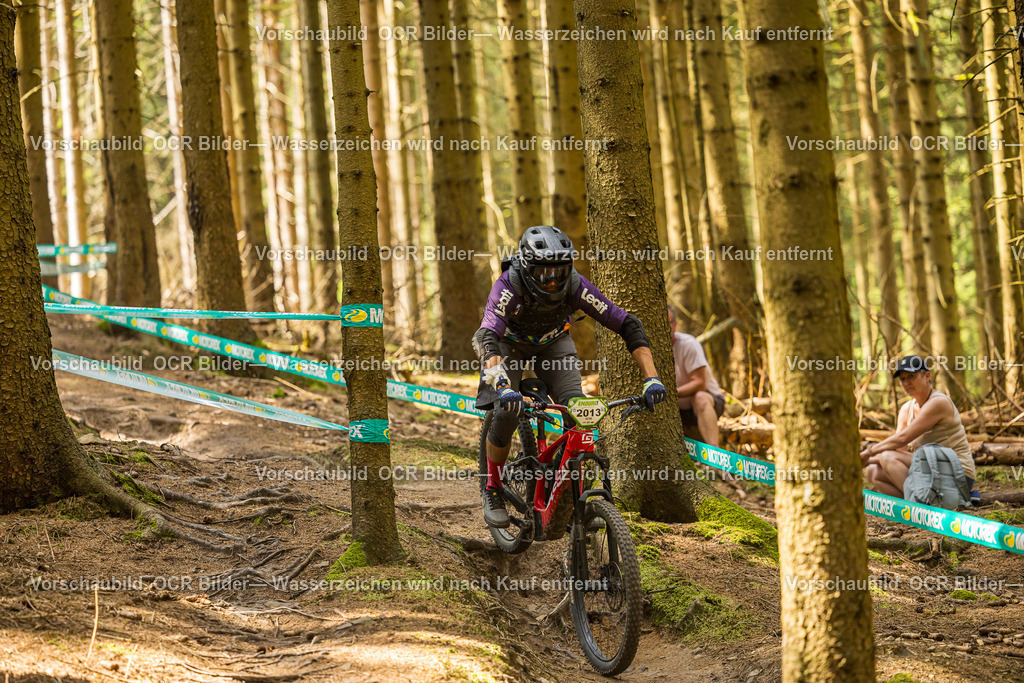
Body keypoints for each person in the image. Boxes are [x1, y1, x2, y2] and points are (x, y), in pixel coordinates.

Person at [472, 226, 667, 528]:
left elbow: (627, 324)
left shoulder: (576, 286)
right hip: (507, 346)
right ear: (526, 267)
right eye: (543, 273)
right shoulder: (508, 285)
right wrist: (502, 387)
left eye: (559, 272)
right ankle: (493, 489)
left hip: (553, 343)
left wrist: (652, 378)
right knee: (505, 413)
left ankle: (574, 495)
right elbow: (487, 336)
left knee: (578, 411)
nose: (552, 281)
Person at [861, 355, 977, 499]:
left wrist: (868, 453)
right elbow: (899, 450)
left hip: (958, 475)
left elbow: (902, 439)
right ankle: (915, 508)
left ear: (926, 376)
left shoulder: (938, 402)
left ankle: (923, 504)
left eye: (911, 376)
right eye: (902, 379)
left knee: (886, 457)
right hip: (930, 469)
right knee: (873, 472)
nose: (906, 383)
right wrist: (867, 461)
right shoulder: (906, 409)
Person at [668, 307, 726, 447]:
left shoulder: (688, 344)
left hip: (709, 401)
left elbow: (700, 383)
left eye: (667, 322)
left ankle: (715, 456)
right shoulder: (648, 348)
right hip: (676, 409)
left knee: (699, 396)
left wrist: (669, 394)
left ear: (675, 325)